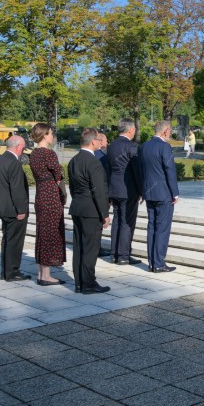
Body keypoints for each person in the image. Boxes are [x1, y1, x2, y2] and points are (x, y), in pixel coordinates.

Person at [67, 128, 111, 294]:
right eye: (99, 141)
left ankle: (79, 282)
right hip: (92, 210)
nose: (100, 143)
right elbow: (99, 191)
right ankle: (89, 283)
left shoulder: (74, 160)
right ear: (93, 142)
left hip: (78, 207)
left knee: (79, 247)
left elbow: (72, 187)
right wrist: (105, 214)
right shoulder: (94, 163)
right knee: (91, 248)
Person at [28, 123, 67, 286]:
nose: (52, 137)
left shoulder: (34, 153)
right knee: (51, 232)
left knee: (42, 232)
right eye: (50, 134)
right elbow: (58, 175)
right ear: (44, 135)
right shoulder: (48, 154)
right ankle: (46, 275)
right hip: (51, 194)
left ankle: (41, 272)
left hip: (41, 194)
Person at [139, 120, 178, 273]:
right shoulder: (164, 147)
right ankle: (159, 263)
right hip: (163, 194)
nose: (171, 133)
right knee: (162, 229)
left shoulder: (145, 146)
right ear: (165, 130)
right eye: (170, 130)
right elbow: (170, 170)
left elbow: (142, 170)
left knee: (152, 227)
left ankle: (152, 263)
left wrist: (143, 191)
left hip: (149, 193)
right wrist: (175, 192)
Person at [0, 135, 31, 282]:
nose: (23, 151)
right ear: (18, 146)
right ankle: (12, 272)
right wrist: (21, 210)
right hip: (13, 209)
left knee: (7, 240)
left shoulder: (1, 159)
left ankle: (6, 271)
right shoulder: (13, 163)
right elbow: (17, 190)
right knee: (14, 241)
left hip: (3, 207)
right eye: (23, 147)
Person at [107, 118, 143, 266]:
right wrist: (141, 190)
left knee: (117, 220)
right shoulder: (132, 146)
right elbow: (137, 170)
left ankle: (114, 253)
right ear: (129, 130)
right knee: (127, 222)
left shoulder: (112, 145)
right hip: (128, 190)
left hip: (114, 188)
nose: (135, 131)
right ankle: (123, 255)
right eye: (134, 129)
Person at [94, 131, 111, 257]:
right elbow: (106, 176)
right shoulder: (102, 157)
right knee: (99, 221)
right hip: (101, 193)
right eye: (105, 141)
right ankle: (97, 247)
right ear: (100, 141)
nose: (107, 143)